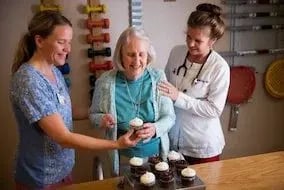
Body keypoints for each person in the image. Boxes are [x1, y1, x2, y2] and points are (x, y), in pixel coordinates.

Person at [9, 11, 141, 190]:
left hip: (64, 172)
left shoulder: (54, 71)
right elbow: (63, 138)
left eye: (69, 42)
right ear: (39, 41)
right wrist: (116, 144)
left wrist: (96, 114)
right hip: (40, 178)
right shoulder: (28, 80)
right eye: (61, 42)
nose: (68, 49)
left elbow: (62, 111)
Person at [89, 26, 176, 176]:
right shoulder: (106, 82)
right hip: (122, 159)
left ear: (147, 55)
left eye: (141, 54)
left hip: (155, 159)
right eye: (130, 54)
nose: (137, 61)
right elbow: (93, 116)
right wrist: (101, 120)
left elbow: (169, 117)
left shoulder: (158, 77)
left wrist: (156, 128)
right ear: (120, 55)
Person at [158, 3, 230, 165]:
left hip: (202, 146)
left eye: (198, 40)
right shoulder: (176, 52)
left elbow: (213, 109)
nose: (191, 44)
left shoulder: (219, 67)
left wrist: (179, 97)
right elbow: (165, 87)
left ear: (212, 40)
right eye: (188, 37)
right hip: (173, 142)